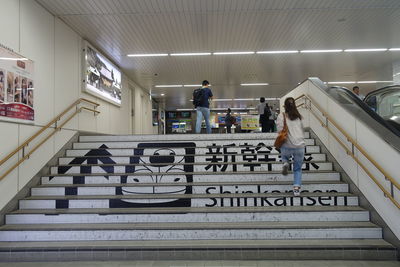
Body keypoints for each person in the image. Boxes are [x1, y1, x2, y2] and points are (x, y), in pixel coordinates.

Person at [276, 97, 305, 197]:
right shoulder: (299, 116)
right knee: (297, 169)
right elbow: (302, 130)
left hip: (287, 144)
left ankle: (285, 162)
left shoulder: (282, 116)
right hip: (300, 145)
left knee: (284, 155)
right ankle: (296, 188)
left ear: (285, 106)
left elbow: (280, 130)